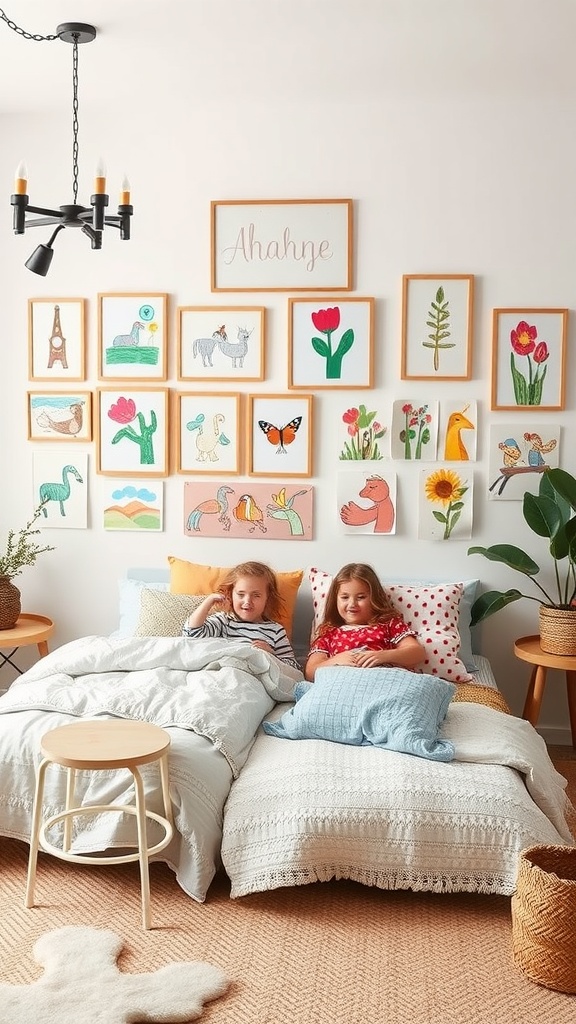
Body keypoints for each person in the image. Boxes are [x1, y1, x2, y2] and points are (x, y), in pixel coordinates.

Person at [304, 562, 425, 681]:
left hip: (383, 680)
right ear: (335, 600)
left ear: (374, 598)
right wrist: (335, 661)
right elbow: (310, 672)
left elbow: (417, 653)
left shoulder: (388, 624)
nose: (352, 604)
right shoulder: (328, 633)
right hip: (344, 683)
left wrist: (382, 656)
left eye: (361, 597)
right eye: (345, 597)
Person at [182, 560, 301, 670]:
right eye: (241, 594)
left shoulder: (275, 631)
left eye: (256, 595)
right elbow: (191, 635)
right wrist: (209, 601)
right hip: (220, 673)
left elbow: (293, 669)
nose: (247, 601)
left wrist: (271, 655)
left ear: (268, 598)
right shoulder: (224, 621)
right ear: (230, 595)